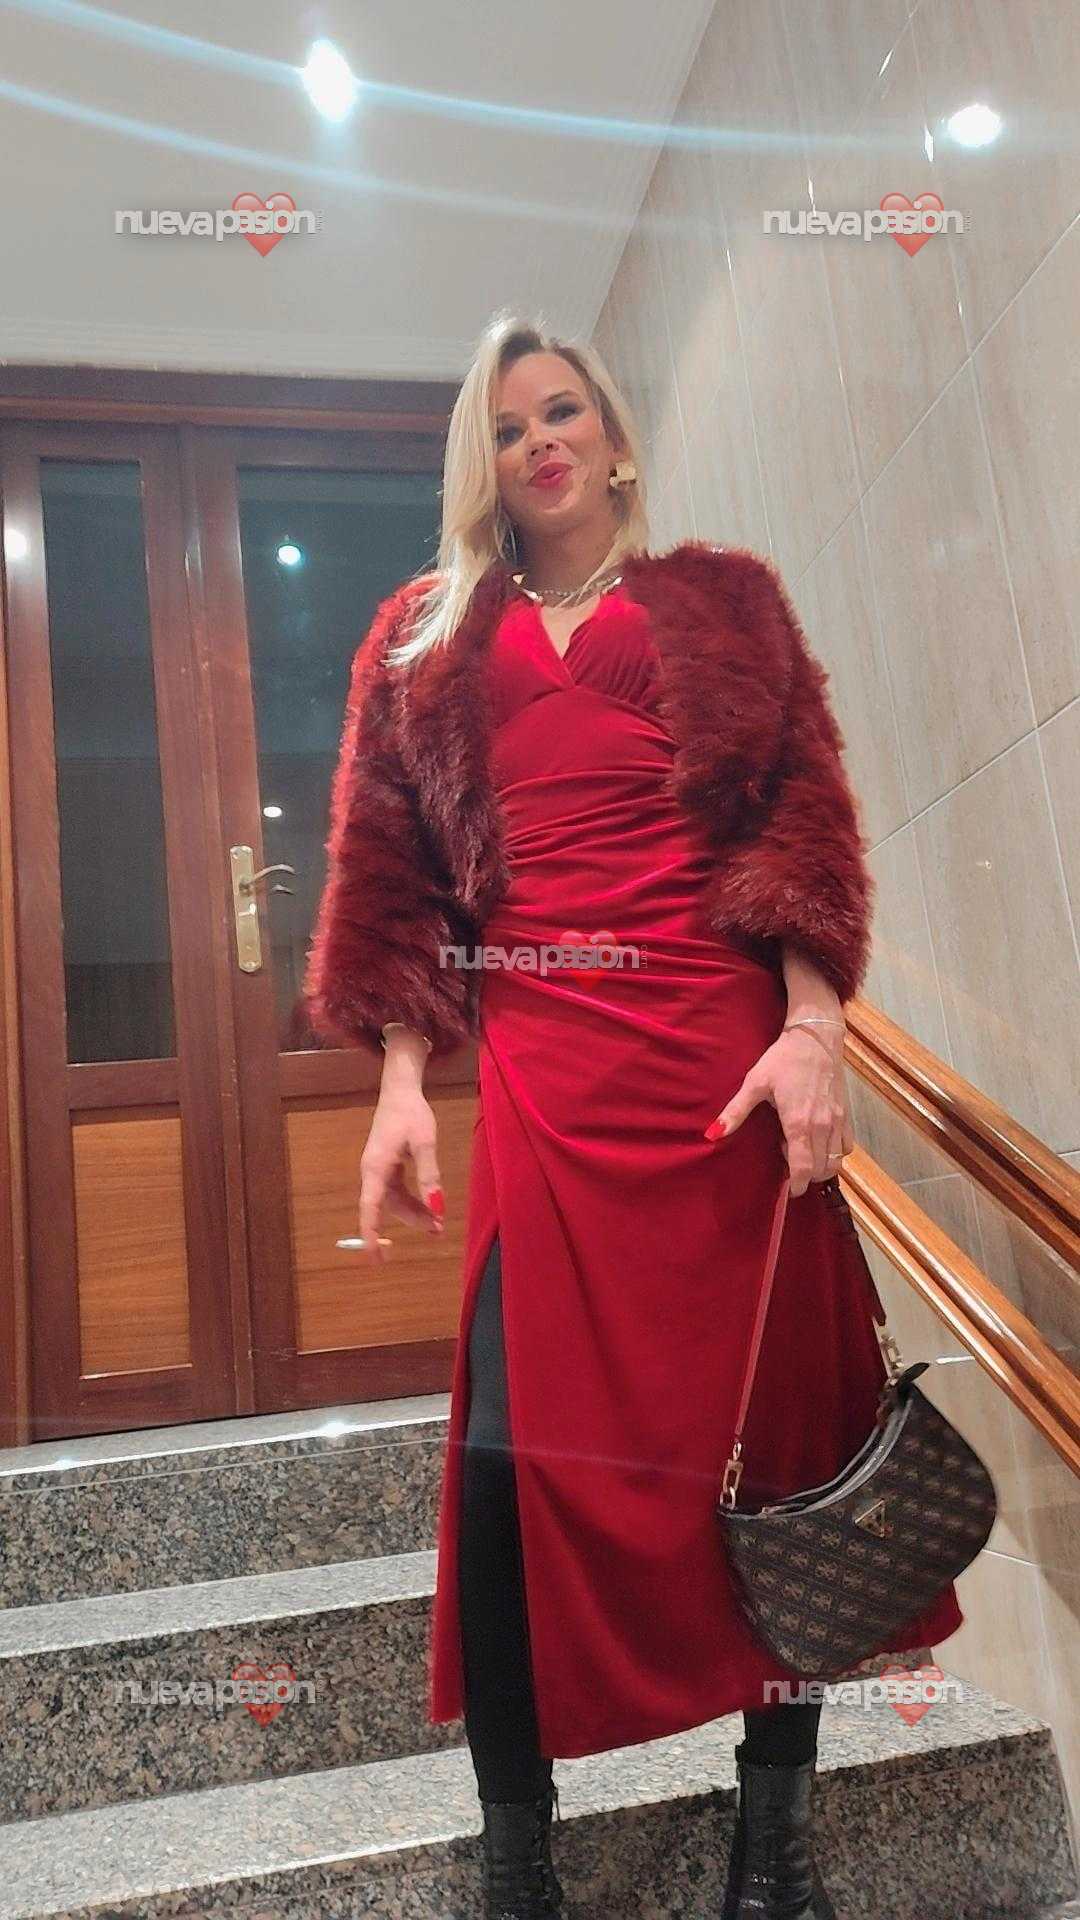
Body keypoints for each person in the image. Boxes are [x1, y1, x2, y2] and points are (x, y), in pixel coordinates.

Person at [303, 310, 964, 1919]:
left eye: (563, 411)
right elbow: (390, 876)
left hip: (727, 1070)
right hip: (546, 1073)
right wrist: (399, 1087)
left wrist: (813, 1030)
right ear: (482, 463)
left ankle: (773, 1848)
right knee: (505, 1466)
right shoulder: (416, 640)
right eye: (507, 425)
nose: (539, 442)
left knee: (785, 1447)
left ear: (611, 436)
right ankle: (515, 1861)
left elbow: (803, 818)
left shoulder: (723, 602)